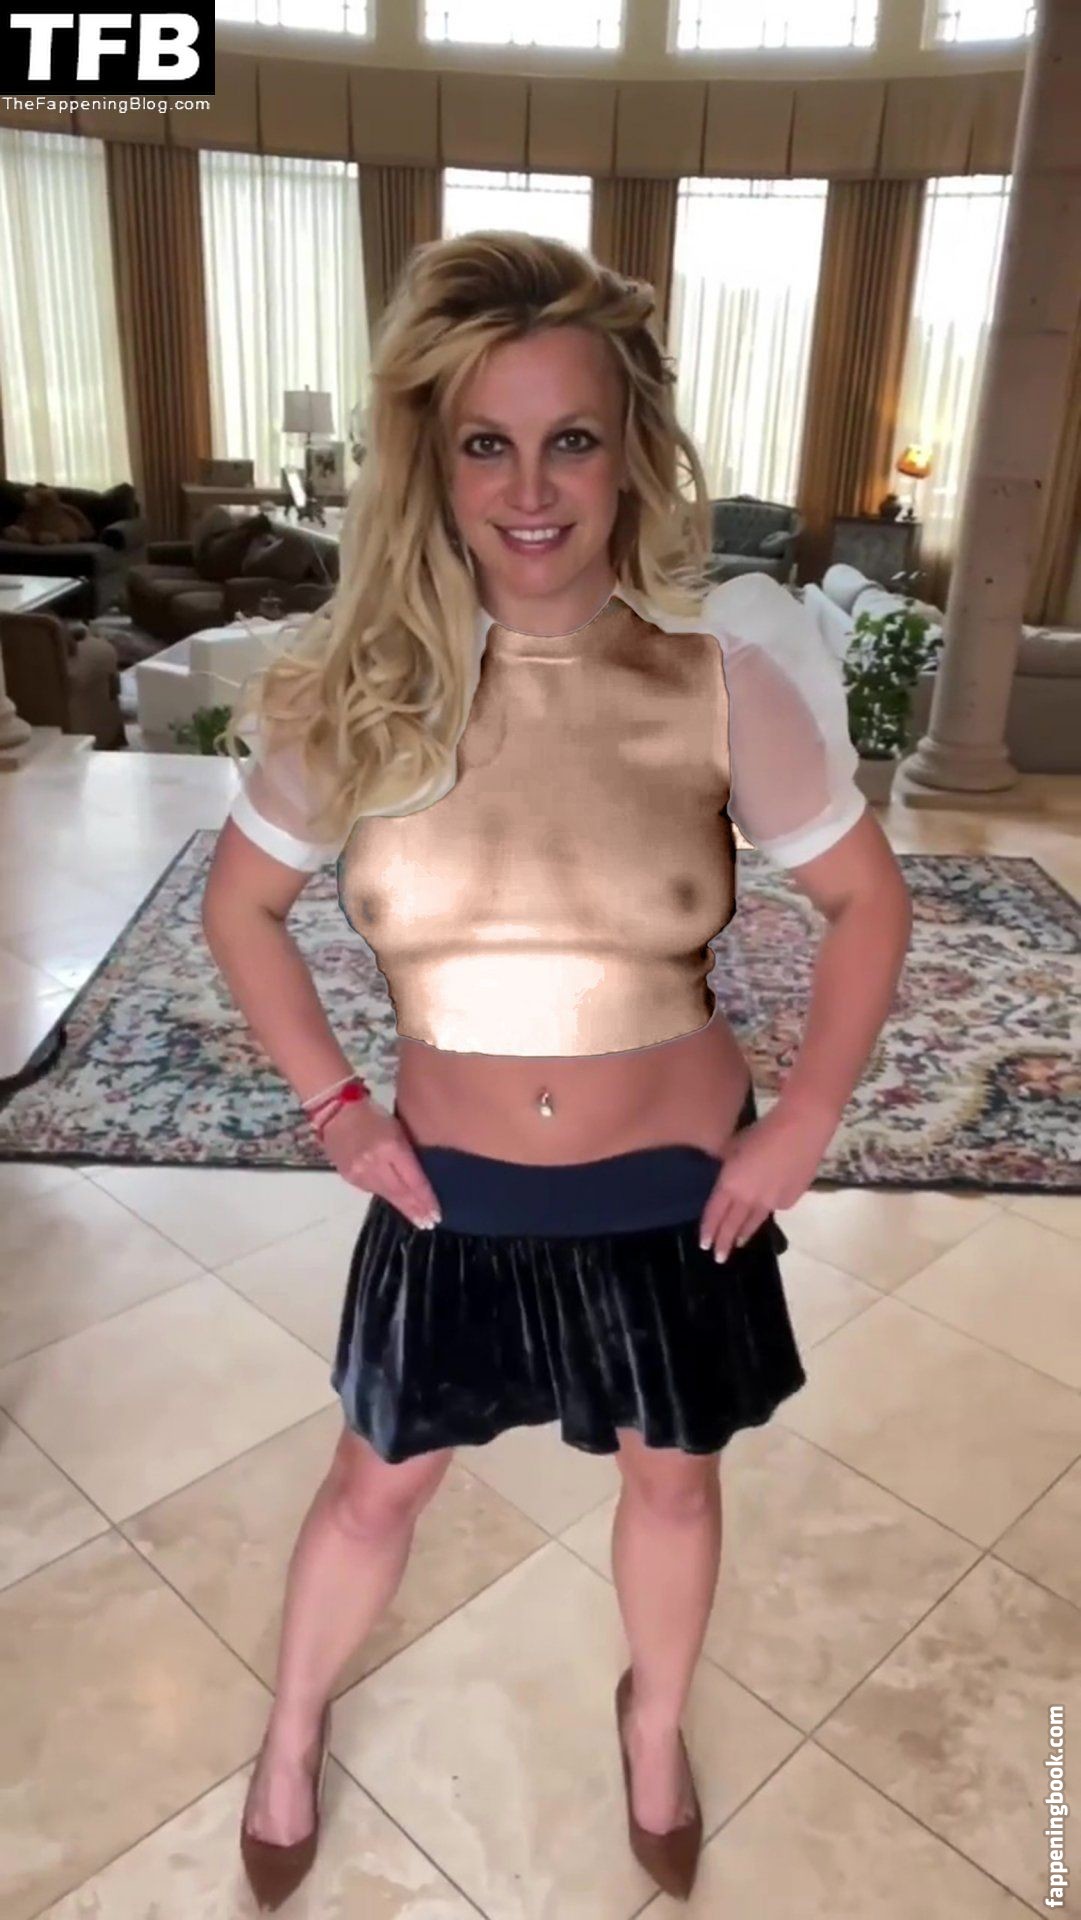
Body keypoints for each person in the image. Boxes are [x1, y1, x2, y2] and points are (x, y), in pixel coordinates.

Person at [202, 230, 912, 1909]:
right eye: (487, 444)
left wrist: (805, 1120)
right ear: (433, 464)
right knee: (372, 1489)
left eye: (570, 439)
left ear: (628, 453)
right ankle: (291, 1730)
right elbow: (241, 908)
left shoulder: (718, 685)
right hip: (446, 1194)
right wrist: (336, 1110)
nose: (531, 490)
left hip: (675, 1194)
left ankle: (651, 1723)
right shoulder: (357, 696)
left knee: (675, 1483)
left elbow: (865, 903)